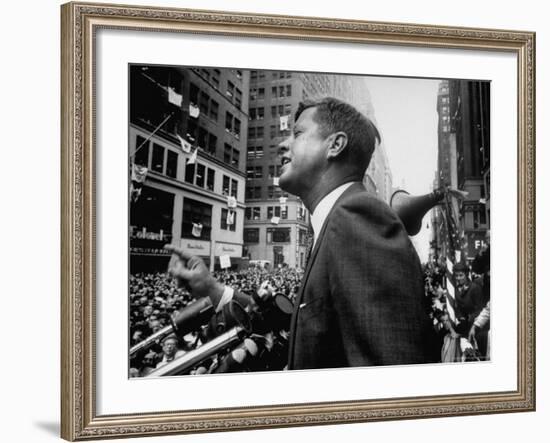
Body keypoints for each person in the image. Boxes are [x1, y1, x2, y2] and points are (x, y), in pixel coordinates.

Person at [166, 97, 438, 370]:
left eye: (297, 134)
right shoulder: (337, 224)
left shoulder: (357, 217)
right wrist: (214, 289)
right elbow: (302, 326)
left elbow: (390, 373)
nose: (282, 144)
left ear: (335, 145)